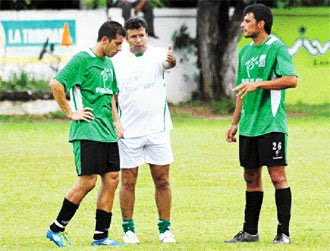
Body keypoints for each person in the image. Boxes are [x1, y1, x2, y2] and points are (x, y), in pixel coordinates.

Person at [46, 21, 126, 247]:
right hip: (88, 130)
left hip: (108, 132)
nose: (120, 48)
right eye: (118, 44)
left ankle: (100, 237)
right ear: (105, 40)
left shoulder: (109, 65)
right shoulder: (82, 60)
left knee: (112, 179)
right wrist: (71, 112)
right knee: (88, 181)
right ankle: (55, 229)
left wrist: (117, 121)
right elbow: (56, 83)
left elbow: (111, 95)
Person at [225, 4, 297, 245]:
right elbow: (241, 91)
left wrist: (260, 84)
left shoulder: (277, 47)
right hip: (249, 126)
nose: (243, 25)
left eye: (247, 21)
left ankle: (283, 232)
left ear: (261, 24)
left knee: (277, 176)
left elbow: (291, 80)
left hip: (271, 124)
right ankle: (250, 232)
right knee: (250, 177)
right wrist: (234, 123)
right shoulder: (245, 52)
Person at [111, 17, 176, 244]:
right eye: (133, 37)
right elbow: (112, 95)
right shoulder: (117, 60)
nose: (138, 40)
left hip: (158, 130)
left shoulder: (158, 54)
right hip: (129, 132)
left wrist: (172, 60)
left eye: (141, 35)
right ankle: (128, 230)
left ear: (146, 34)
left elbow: (169, 64)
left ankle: (165, 229)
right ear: (126, 38)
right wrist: (117, 121)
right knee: (128, 181)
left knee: (163, 180)